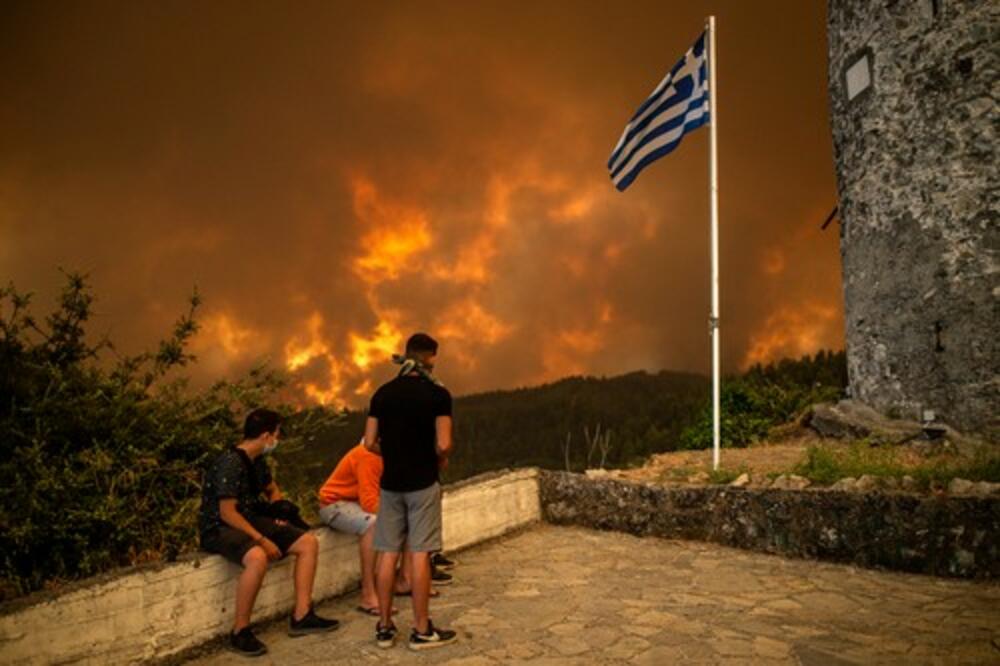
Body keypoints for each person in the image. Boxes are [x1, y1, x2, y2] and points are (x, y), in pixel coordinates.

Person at [199, 408, 338, 657]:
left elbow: (272, 490)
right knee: (257, 558)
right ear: (265, 436)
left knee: (307, 543)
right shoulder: (230, 463)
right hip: (220, 526)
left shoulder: (257, 461)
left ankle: (302, 615)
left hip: (251, 517)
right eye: (276, 434)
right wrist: (262, 539)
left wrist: (279, 515)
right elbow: (227, 512)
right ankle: (240, 630)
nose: (277, 439)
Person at [365, 332, 458, 650]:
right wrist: (438, 457)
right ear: (430, 357)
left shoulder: (382, 393)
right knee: (420, 553)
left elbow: (368, 443)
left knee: (388, 553)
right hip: (422, 484)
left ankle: (385, 626)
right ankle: (421, 630)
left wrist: (392, 454)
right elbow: (444, 442)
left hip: (390, 486)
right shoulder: (437, 394)